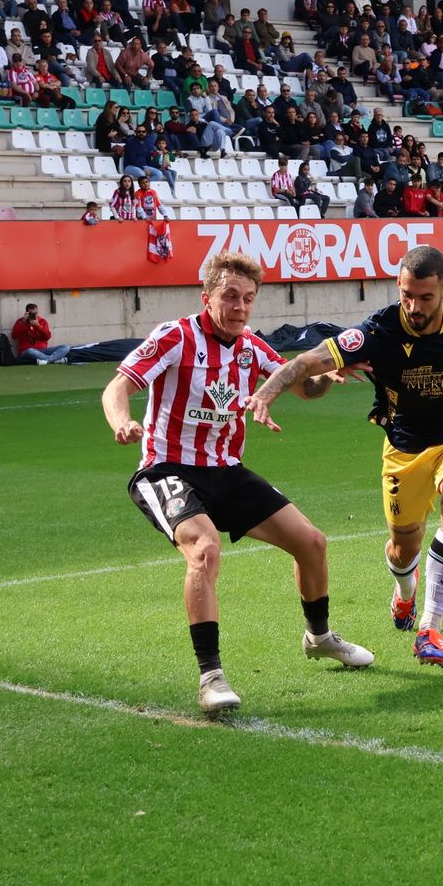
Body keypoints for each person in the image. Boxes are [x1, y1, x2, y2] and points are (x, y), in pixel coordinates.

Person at [100, 252, 374, 714]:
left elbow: (305, 389)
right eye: (230, 296)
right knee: (204, 549)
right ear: (206, 297)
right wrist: (122, 422)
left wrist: (328, 375)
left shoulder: (251, 347)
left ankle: (319, 636)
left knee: (311, 542)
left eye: (248, 299)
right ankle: (211, 676)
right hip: (167, 468)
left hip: (226, 470)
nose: (240, 307)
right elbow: (118, 387)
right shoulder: (174, 336)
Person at [242, 247, 443, 669]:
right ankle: (405, 591)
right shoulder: (377, 332)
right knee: (402, 550)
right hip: (404, 450)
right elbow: (309, 360)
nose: (413, 306)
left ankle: (430, 627)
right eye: (406, 295)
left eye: (425, 297)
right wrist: (266, 393)